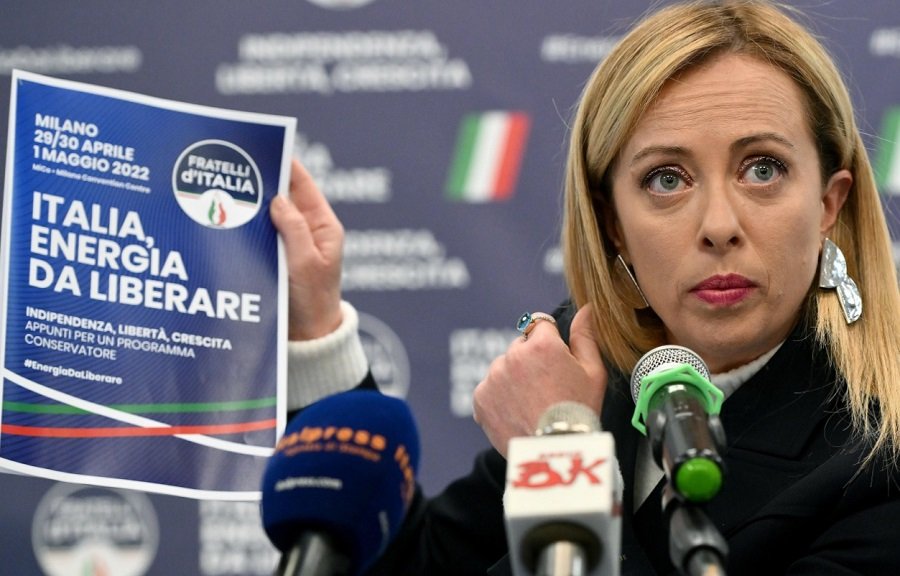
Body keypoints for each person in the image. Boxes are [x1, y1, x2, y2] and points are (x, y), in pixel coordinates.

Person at [270, 1, 900, 574]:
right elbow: (417, 566)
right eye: (666, 179)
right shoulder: (591, 370)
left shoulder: (881, 460)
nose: (718, 226)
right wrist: (318, 325)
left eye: (762, 169)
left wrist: (563, 457)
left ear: (828, 203)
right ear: (612, 223)